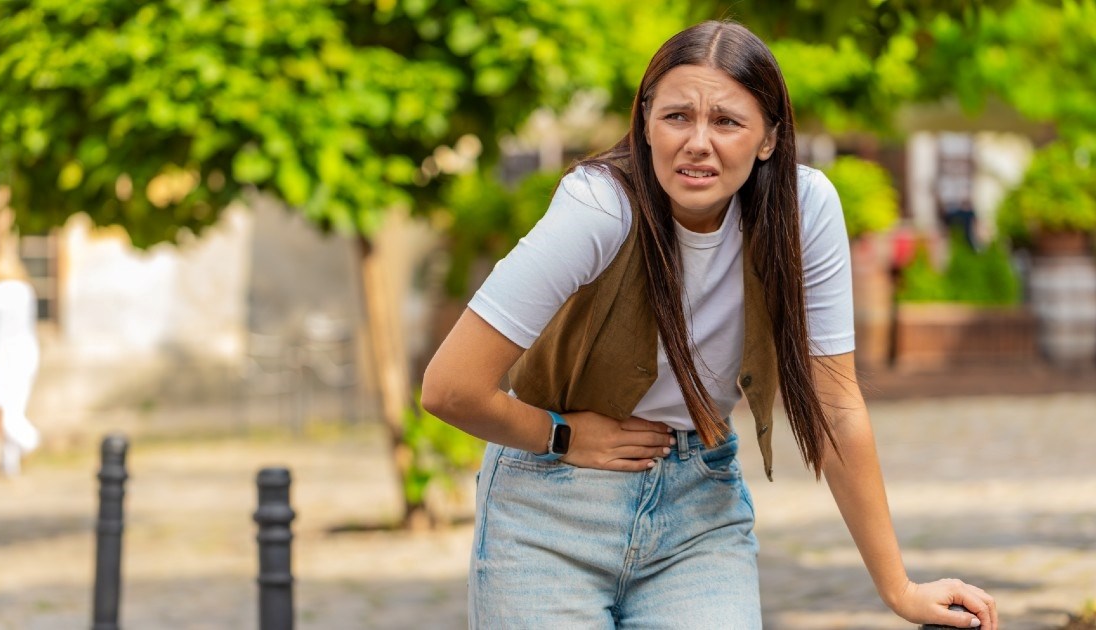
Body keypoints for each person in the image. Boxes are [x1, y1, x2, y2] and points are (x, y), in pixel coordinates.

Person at [422, 20, 998, 629]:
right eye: (676, 117)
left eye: (726, 121)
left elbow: (836, 405)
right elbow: (450, 386)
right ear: (645, 123)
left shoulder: (803, 210)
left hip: (698, 513)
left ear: (770, 138)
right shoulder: (597, 208)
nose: (698, 142)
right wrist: (562, 436)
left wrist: (899, 589)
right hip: (549, 510)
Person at [0, 253, 41, 475]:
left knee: (1, 406)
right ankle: (9, 463)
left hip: (6, 353)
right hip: (28, 351)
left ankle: (30, 440)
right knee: (15, 406)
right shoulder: (26, 290)